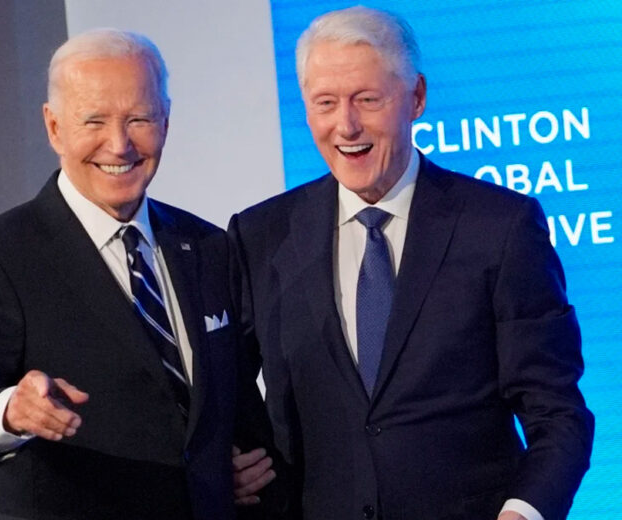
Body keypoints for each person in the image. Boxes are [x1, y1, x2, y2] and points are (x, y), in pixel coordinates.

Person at [228, 6, 593, 520]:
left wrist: (523, 511)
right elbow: (225, 395)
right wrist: (226, 463)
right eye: (326, 102)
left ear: (416, 97)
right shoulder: (261, 235)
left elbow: (557, 413)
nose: (346, 125)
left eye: (367, 99)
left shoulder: (500, 227)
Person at [0, 28, 277, 520]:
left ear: (166, 121)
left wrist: (233, 469)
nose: (119, 145)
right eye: (94, 120)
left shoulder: (207, 246)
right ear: (54, 127)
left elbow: (229, 408)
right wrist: (11, 411)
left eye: (139, 119)